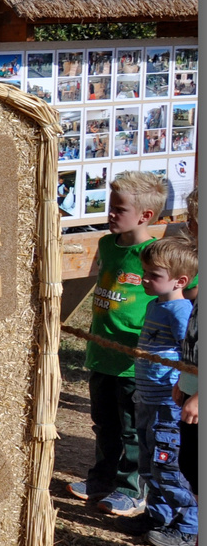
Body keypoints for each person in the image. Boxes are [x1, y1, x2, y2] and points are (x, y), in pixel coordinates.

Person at [67, 170, 171, 516]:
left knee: (131, 429)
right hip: (101, 354)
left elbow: (188, 282)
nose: (111, 214)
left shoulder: (156, 253)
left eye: (119, 209)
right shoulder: (106, 245)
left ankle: (131, 489)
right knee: (103, 422)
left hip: (132, 361)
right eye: (110, 207)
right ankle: (101, 480)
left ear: (145, 216)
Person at [116, 237, 197, 546]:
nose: (145, 279)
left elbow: (189, 353)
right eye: (145, 272)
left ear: (180, 281)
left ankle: (188, 527)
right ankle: (157, 516)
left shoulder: (180, 311)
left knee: (169, 465)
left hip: (167, 404)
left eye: (153, 275)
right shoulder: (155, 305)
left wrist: (187, 390)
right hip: (147, 399)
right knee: (149, 462)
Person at [150, 189, 199, 546]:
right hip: (180, 387)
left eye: (195, 222)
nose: (190, 228)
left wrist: (197, 393)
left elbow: (192, 344)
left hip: (189, 395)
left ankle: (189, 535)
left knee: (183, 467)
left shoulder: (184, 303)